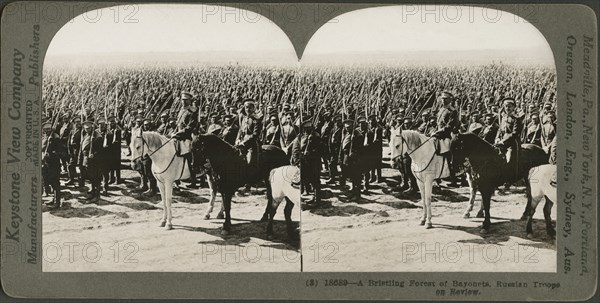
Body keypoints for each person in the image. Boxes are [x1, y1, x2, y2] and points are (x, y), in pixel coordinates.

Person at [432, 91, 460, 187]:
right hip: (439, 135)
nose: (443, 100)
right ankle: (437, 179)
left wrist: (437, 132)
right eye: (442, 98)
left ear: (450, 100)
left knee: (448, 159)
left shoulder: (452, 111)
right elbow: (438, 123)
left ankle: (453, 180)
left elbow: (449, 126)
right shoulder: (441, 109)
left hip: (447, 136)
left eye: (445, 99)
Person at [291, 119, 321, 204]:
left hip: (314, 162)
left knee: (315, 180)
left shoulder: (316, 136)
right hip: (303, 162)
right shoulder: (300, 137)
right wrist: (297, 161)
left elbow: (320, 149)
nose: (308, 130)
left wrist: (311, 152)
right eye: (306, 128)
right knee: (304, 179)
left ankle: (316, 199)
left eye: (309, 128)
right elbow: (295, 149)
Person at [173, 92, 199, 188]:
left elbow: (190, 127)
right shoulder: (181, 110)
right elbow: (178, 124)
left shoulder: (192, 111)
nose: (183, 102)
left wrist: (178, 134)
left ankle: (193, 180)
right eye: (182, 100)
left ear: (190, 101)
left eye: (186, 100)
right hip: (178, 136)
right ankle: (177, 180)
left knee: (189, 159)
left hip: (187, 137)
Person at [494, 97, 524, 180]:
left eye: (510, 106)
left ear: (514, 107)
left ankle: (510, 179)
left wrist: (503, 141)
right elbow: (500, 130)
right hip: (501, 142)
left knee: (509, 160)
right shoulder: (503, 117)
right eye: (506, 106)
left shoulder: (517, 119)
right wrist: (497, 138)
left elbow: (514, 133)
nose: (508, 108)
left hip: (512, 143)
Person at [235, 98, 263, 182]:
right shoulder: (243, 118)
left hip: (252, 145)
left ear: (254, 108)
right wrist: (237, 139)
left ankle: (249, 184)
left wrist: (244, 142)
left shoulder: (256, 119)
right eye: (246, 107)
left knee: (249, 162)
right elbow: (240, 130)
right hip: (241, 144)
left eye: (250, 107)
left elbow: (255, 135)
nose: (248, 109)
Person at [79, 121, 103, 203]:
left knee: (96, 178)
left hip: (95, 161)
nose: (87, 130)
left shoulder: (97, 136)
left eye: (89, 128)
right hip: (87, 159)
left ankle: (97, 195)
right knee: (91, 177)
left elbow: (100, 150)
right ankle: (93, 191)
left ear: (92, 127)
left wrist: (94, 154)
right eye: (86, 128)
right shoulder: (86, 135)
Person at [339, 119, 364, 200]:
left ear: (353, 126)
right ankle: (353, 191)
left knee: (356, 176)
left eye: (349, 127)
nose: (347, 129)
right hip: (347, 157)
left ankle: (357, 194)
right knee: (352, 176)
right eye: (346, 127)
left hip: (355, 159)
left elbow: (360, 147)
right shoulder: (346, 133)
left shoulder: (357, 134)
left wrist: (354, 151)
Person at [42, 121, 64, 208]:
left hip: (54, 164)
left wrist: (50, 154)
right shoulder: (45, 137)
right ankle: (53, 199)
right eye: (45, 129)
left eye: (48, 129)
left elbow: (60, 151)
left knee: (55, 182)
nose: (47, 131)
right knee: (50, 181)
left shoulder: (55, 138)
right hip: (46, 163)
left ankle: (57, 202)